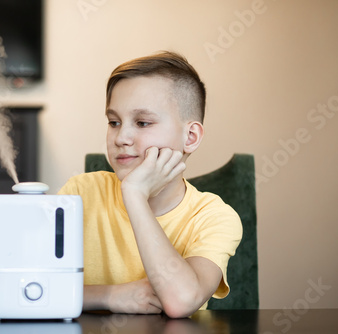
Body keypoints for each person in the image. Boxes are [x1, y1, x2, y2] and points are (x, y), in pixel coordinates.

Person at [58, 51, 242, 318]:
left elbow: (181, 301)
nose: (121, 137)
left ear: (190, 136)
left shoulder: (215, 217)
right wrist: (111, 296)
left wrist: (134, 195)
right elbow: (29, 289)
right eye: (113, 122)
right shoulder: (79, 193)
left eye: (142, 122)